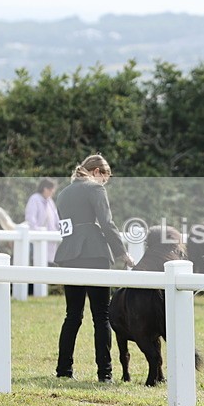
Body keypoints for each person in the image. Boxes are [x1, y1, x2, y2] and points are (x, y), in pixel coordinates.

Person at [53, 154, 134, 383]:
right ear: (98, 171)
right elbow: (107, 224)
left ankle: (64, 369)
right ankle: (104, 372)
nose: (104, 183)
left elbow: (65, 228)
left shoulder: (64, 192)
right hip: (94, 253)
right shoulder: (95, 189)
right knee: (101, 315)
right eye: (105, 178)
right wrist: (122, 253)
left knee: (72, 315)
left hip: (69, 254)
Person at [24, 177, 61, 263]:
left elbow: (56, 218)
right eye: (52, 190)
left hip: (51, 241)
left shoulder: (50, 201)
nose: (53, 193)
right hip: (38, 240)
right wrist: (39, 232)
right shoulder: (35, 199)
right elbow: (30, 218)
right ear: (45, 189)